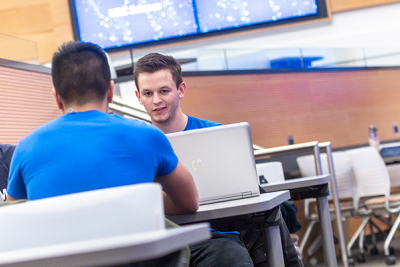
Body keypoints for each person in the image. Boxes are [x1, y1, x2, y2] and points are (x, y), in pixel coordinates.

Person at [134, 53, 300, 267]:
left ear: (180, 90)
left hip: (218, 235)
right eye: (148, 93)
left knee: (233, 252)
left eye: (164, 91)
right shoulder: (137, 145)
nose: (156, 100)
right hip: (166, 237)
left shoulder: (216, 134)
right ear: (138, 97)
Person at [6, 42, 199, 220]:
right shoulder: (148, 136)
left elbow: (10, 220)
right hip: (135, 256)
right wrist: (139, 203)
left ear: (57, 97)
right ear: (110, 91)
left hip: (61, 257)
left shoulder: (25, 148)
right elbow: (189, 202)